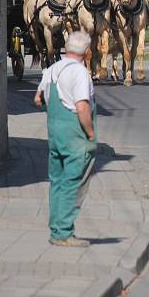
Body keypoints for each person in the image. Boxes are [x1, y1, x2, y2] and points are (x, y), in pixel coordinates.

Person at [34, 31, 97, 247]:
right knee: (74, 183)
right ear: (87, 51)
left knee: (57, 182)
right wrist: (90, 133)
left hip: (54, 135)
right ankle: (64, 232)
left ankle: (56, 229)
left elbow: (38, 98)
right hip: (75, 136)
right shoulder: (80, 73)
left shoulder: (52, 70)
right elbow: (82, 106)